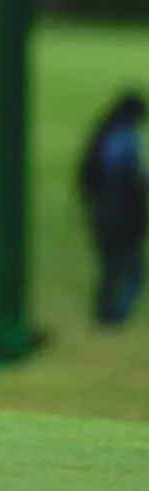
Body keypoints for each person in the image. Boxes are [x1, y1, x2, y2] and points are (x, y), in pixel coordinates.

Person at [79, 93, 147, 325]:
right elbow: (129, 175)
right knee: (132, 270)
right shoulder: (123, 137)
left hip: (102, 212)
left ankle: (105, 312)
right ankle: (113, 315)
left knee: (112, 267)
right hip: (120, 216)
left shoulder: (103, 135)